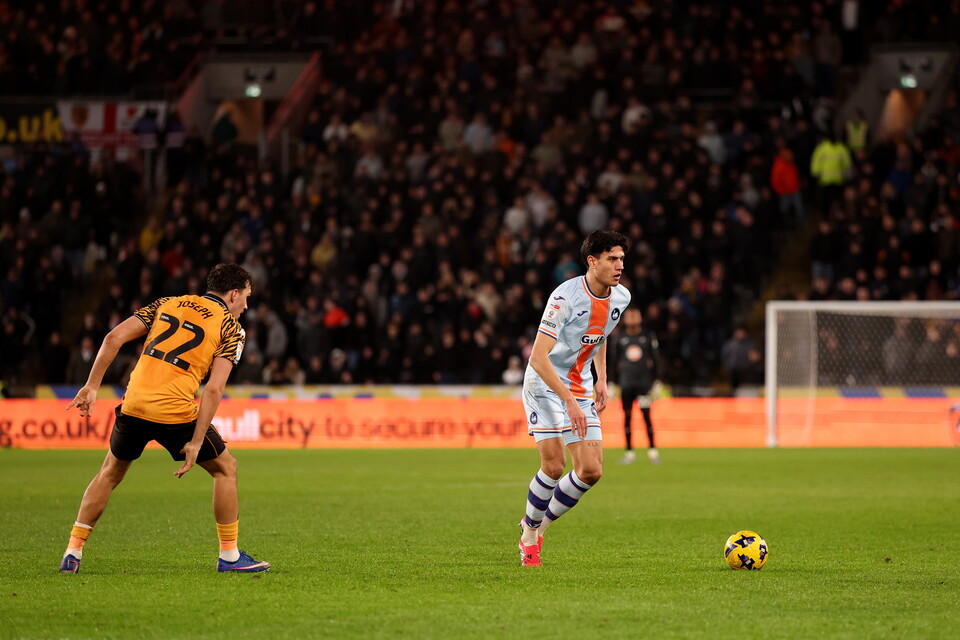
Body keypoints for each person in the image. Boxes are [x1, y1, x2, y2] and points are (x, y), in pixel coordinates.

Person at [59, 263, 270, 574]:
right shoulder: (230, 327)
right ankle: (229, 557)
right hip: (175, 412)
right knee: (226, 469)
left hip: (134, 404)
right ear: (233, 294)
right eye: (247, 297)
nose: (247, 305)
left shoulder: (166, 303)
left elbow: (112, 338)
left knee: (110, 473)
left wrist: (92, 386)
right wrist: (196, 442)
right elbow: (213, 389)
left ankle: (73, 551)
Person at [517, 230, 631, 567]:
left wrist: (602, 379)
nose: (619, 265)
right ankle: (529, 540)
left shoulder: (621, 298)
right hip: (545, 385)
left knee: (591, 470)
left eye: (622, 258)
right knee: (554, 466)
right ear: (592, 262)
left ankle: (535, 527)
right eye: (612, 258)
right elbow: (538, 356)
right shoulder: (564, 298)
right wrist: (567, 400)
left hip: (580, 387)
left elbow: (601, 335)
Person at [614, 308, 661, 465]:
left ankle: (653, 452)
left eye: (636, 315)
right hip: (626, 384)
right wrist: (612, 383)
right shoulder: (619, 338)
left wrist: (656, 381)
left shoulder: (647, 336)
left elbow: (656, 360)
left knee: (646, 416)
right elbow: (614, 362)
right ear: (625, 319)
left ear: (640, 318)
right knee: (627, 417)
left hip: (643, 384)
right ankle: (629, 453)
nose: (633, 318)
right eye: (630, 316)